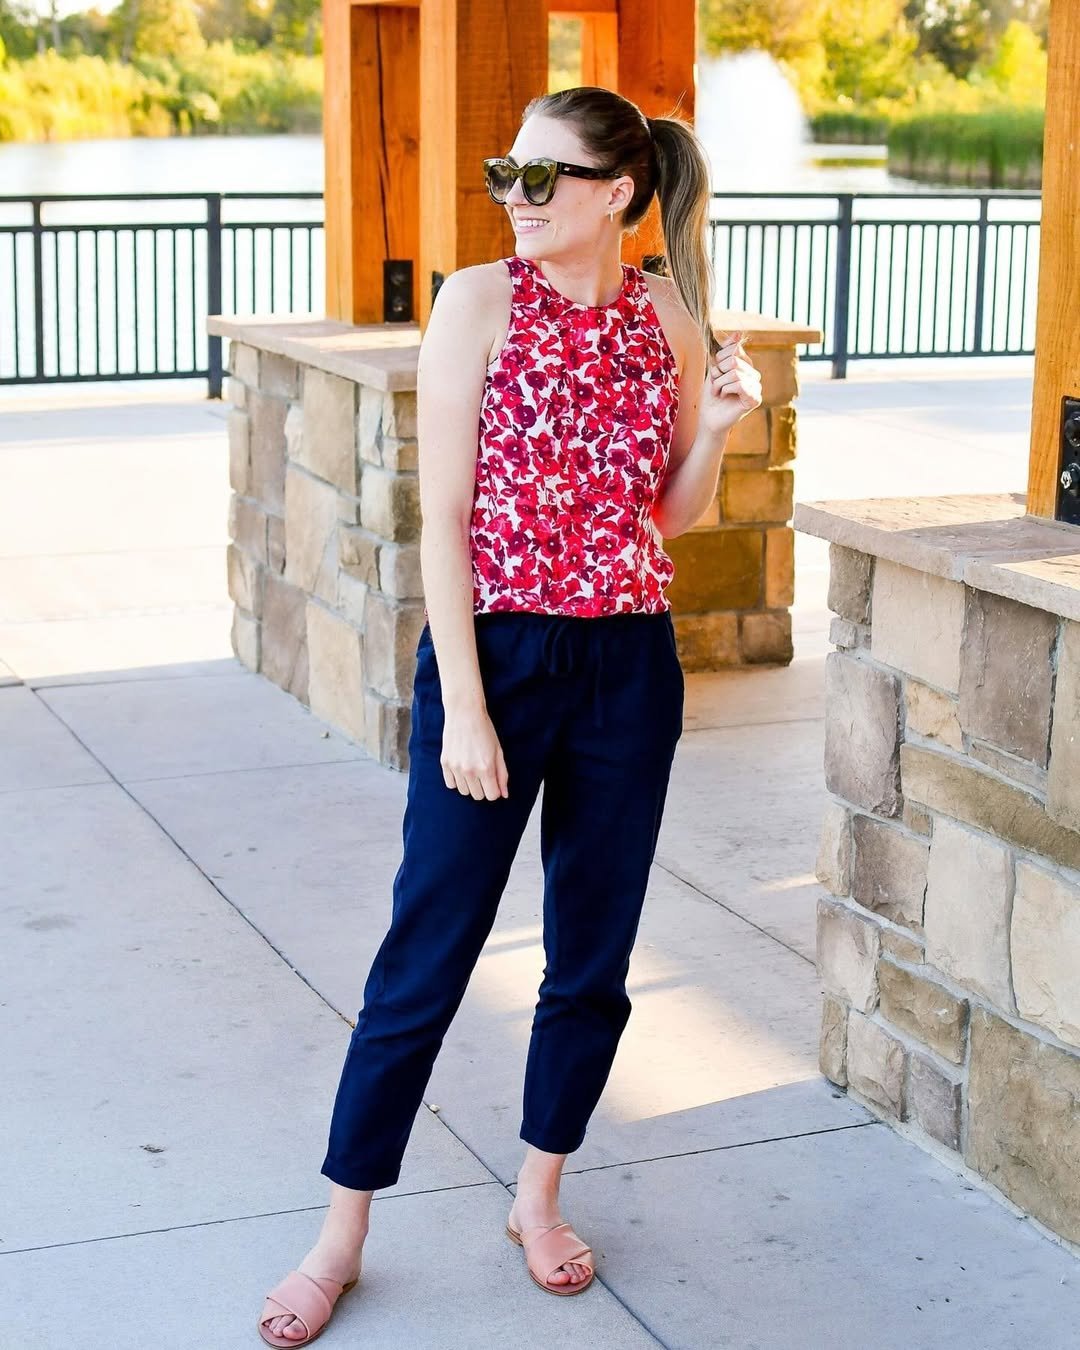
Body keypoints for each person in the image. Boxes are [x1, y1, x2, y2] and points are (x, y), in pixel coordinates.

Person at [258, 84, 762, 1346]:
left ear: (617, 193)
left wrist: (714, 431)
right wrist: (468, 712)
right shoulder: (478, 303)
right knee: (426, 954)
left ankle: (538, 1196)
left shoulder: (668, 317)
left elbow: (671, 515)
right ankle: (340, 1233)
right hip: (498, 656)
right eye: (506, 173)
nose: (515, 199)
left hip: (628, 667)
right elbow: (443, 523)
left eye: (541, 178)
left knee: (591, 958)